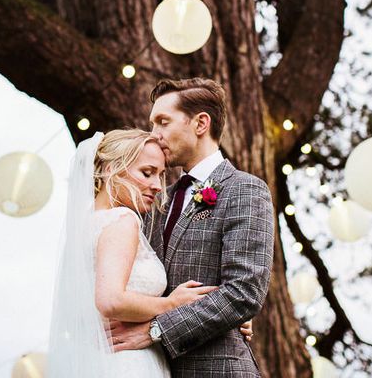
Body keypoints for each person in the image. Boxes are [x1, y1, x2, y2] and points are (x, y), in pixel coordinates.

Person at [109, 78, 275, 377]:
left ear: (200, 123)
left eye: (163, 122)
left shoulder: (244, 189)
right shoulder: (156, 200)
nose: (154, 134)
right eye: (152, 124)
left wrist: (156, 330)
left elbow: (244, 291)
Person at [47, 128, 220, 378]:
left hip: (99, 360)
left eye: (160, 175)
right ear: (111, 170)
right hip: (129, 362)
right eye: (147, 173)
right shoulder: (122, 219)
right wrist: (171, 304)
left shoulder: (85, 223)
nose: (157, 186)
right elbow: (110, 300)